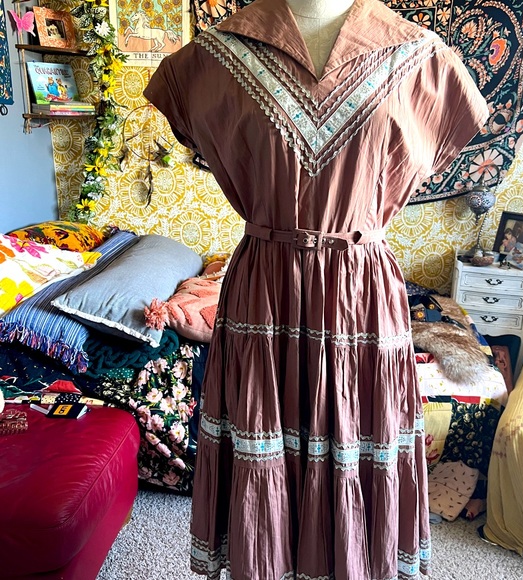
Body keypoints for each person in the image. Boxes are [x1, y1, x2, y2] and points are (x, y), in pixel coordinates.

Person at [144, 0, 488, 577]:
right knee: (266, 435)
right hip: (265, 290)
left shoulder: (424, 60)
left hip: (361, 291)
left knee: (358, 431)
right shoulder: (208, 58)